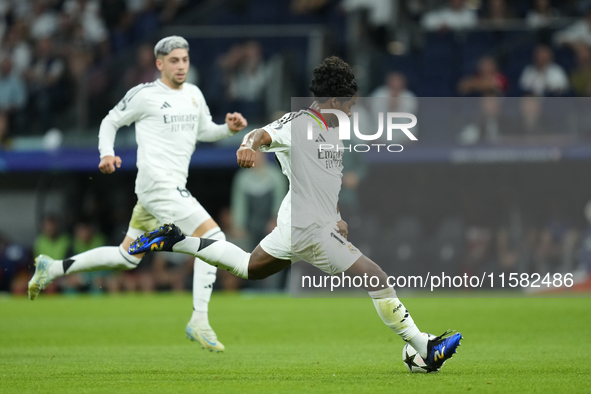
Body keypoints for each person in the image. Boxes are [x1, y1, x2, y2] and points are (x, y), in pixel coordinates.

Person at [129, 56, 462, 371]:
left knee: (249, 267)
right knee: (375, 277)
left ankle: (176, 240)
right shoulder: (299, 122)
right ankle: (423, 346)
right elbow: (261, 134)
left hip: (301, 225)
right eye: (349, 103)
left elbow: (323, 181)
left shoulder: (333, 129)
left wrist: (335, 215)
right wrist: (247, 146)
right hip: (310, 229)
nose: (353, 108)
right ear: (333, 101)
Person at [27, 36, 248, 352]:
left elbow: (203, 132)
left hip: (165, 191)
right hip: (158, 185)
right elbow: (110, 120)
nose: (181, 65)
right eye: (174, 60)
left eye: (184, 59)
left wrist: (227, 129)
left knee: (126, 258)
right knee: (214, 239)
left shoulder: (195, 95)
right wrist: (106, 153)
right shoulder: (145, 95)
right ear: (159, 64)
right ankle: (199, 320)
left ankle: (52, 268)